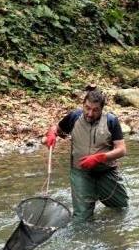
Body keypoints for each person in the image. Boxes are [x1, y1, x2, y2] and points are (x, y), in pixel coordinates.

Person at [44, 86, 128, 223]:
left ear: (102, 109)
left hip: (106, 171)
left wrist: (99, 157)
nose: (90, 113)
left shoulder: (111, 121)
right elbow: (56, 129)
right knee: (82, 219)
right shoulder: (74, 117)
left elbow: (122, 149)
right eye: (87, 108)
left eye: (95, 110)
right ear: (83, 104)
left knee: (121, 208)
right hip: (80, 172)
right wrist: (51, 134)